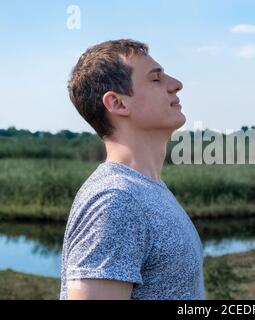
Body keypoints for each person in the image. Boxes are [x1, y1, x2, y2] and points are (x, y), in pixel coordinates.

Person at [59, 39, 205, 300]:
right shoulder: (115, 200)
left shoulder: (145, 188)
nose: (176, 84)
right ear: (117, 104)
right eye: (156, 79)